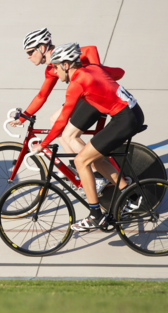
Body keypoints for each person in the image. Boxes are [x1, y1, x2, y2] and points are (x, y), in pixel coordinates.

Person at [31, 43, 144, 231]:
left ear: (66, 65)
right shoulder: (92, 68)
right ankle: (132, 198)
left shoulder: (76, 84)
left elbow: (61, 122)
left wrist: (43, 144)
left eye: (56, 67)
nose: (55, 72)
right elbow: (118, 72)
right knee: (96, 159)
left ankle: (94, 215)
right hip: (131, 113)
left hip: (125, 119)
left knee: (81, 161)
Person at [12, 28, 125, 194]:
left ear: (42, 48)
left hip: (93, 96)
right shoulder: (51, 69)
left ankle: (95, 173)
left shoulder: (67, 54)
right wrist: (24, 117)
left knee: (69, 135)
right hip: (82, 97)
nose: (28, 56)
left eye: (30, 51)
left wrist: (95, 71)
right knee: (54, 119)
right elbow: (42, 96)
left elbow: (91, 49)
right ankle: (77, 168)